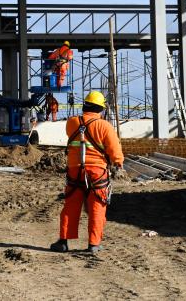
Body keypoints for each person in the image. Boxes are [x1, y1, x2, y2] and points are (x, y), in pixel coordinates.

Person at [50, 91, 124, 255]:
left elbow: (72, 136)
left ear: (84, 105)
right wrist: (118, 162)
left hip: (75, 170)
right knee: (97, 207)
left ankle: (63, 242)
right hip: (97, 172)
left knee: (71, 205)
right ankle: (94, 244)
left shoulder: (72, 122)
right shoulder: (104, 126)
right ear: (101, 109)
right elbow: (114, 149)